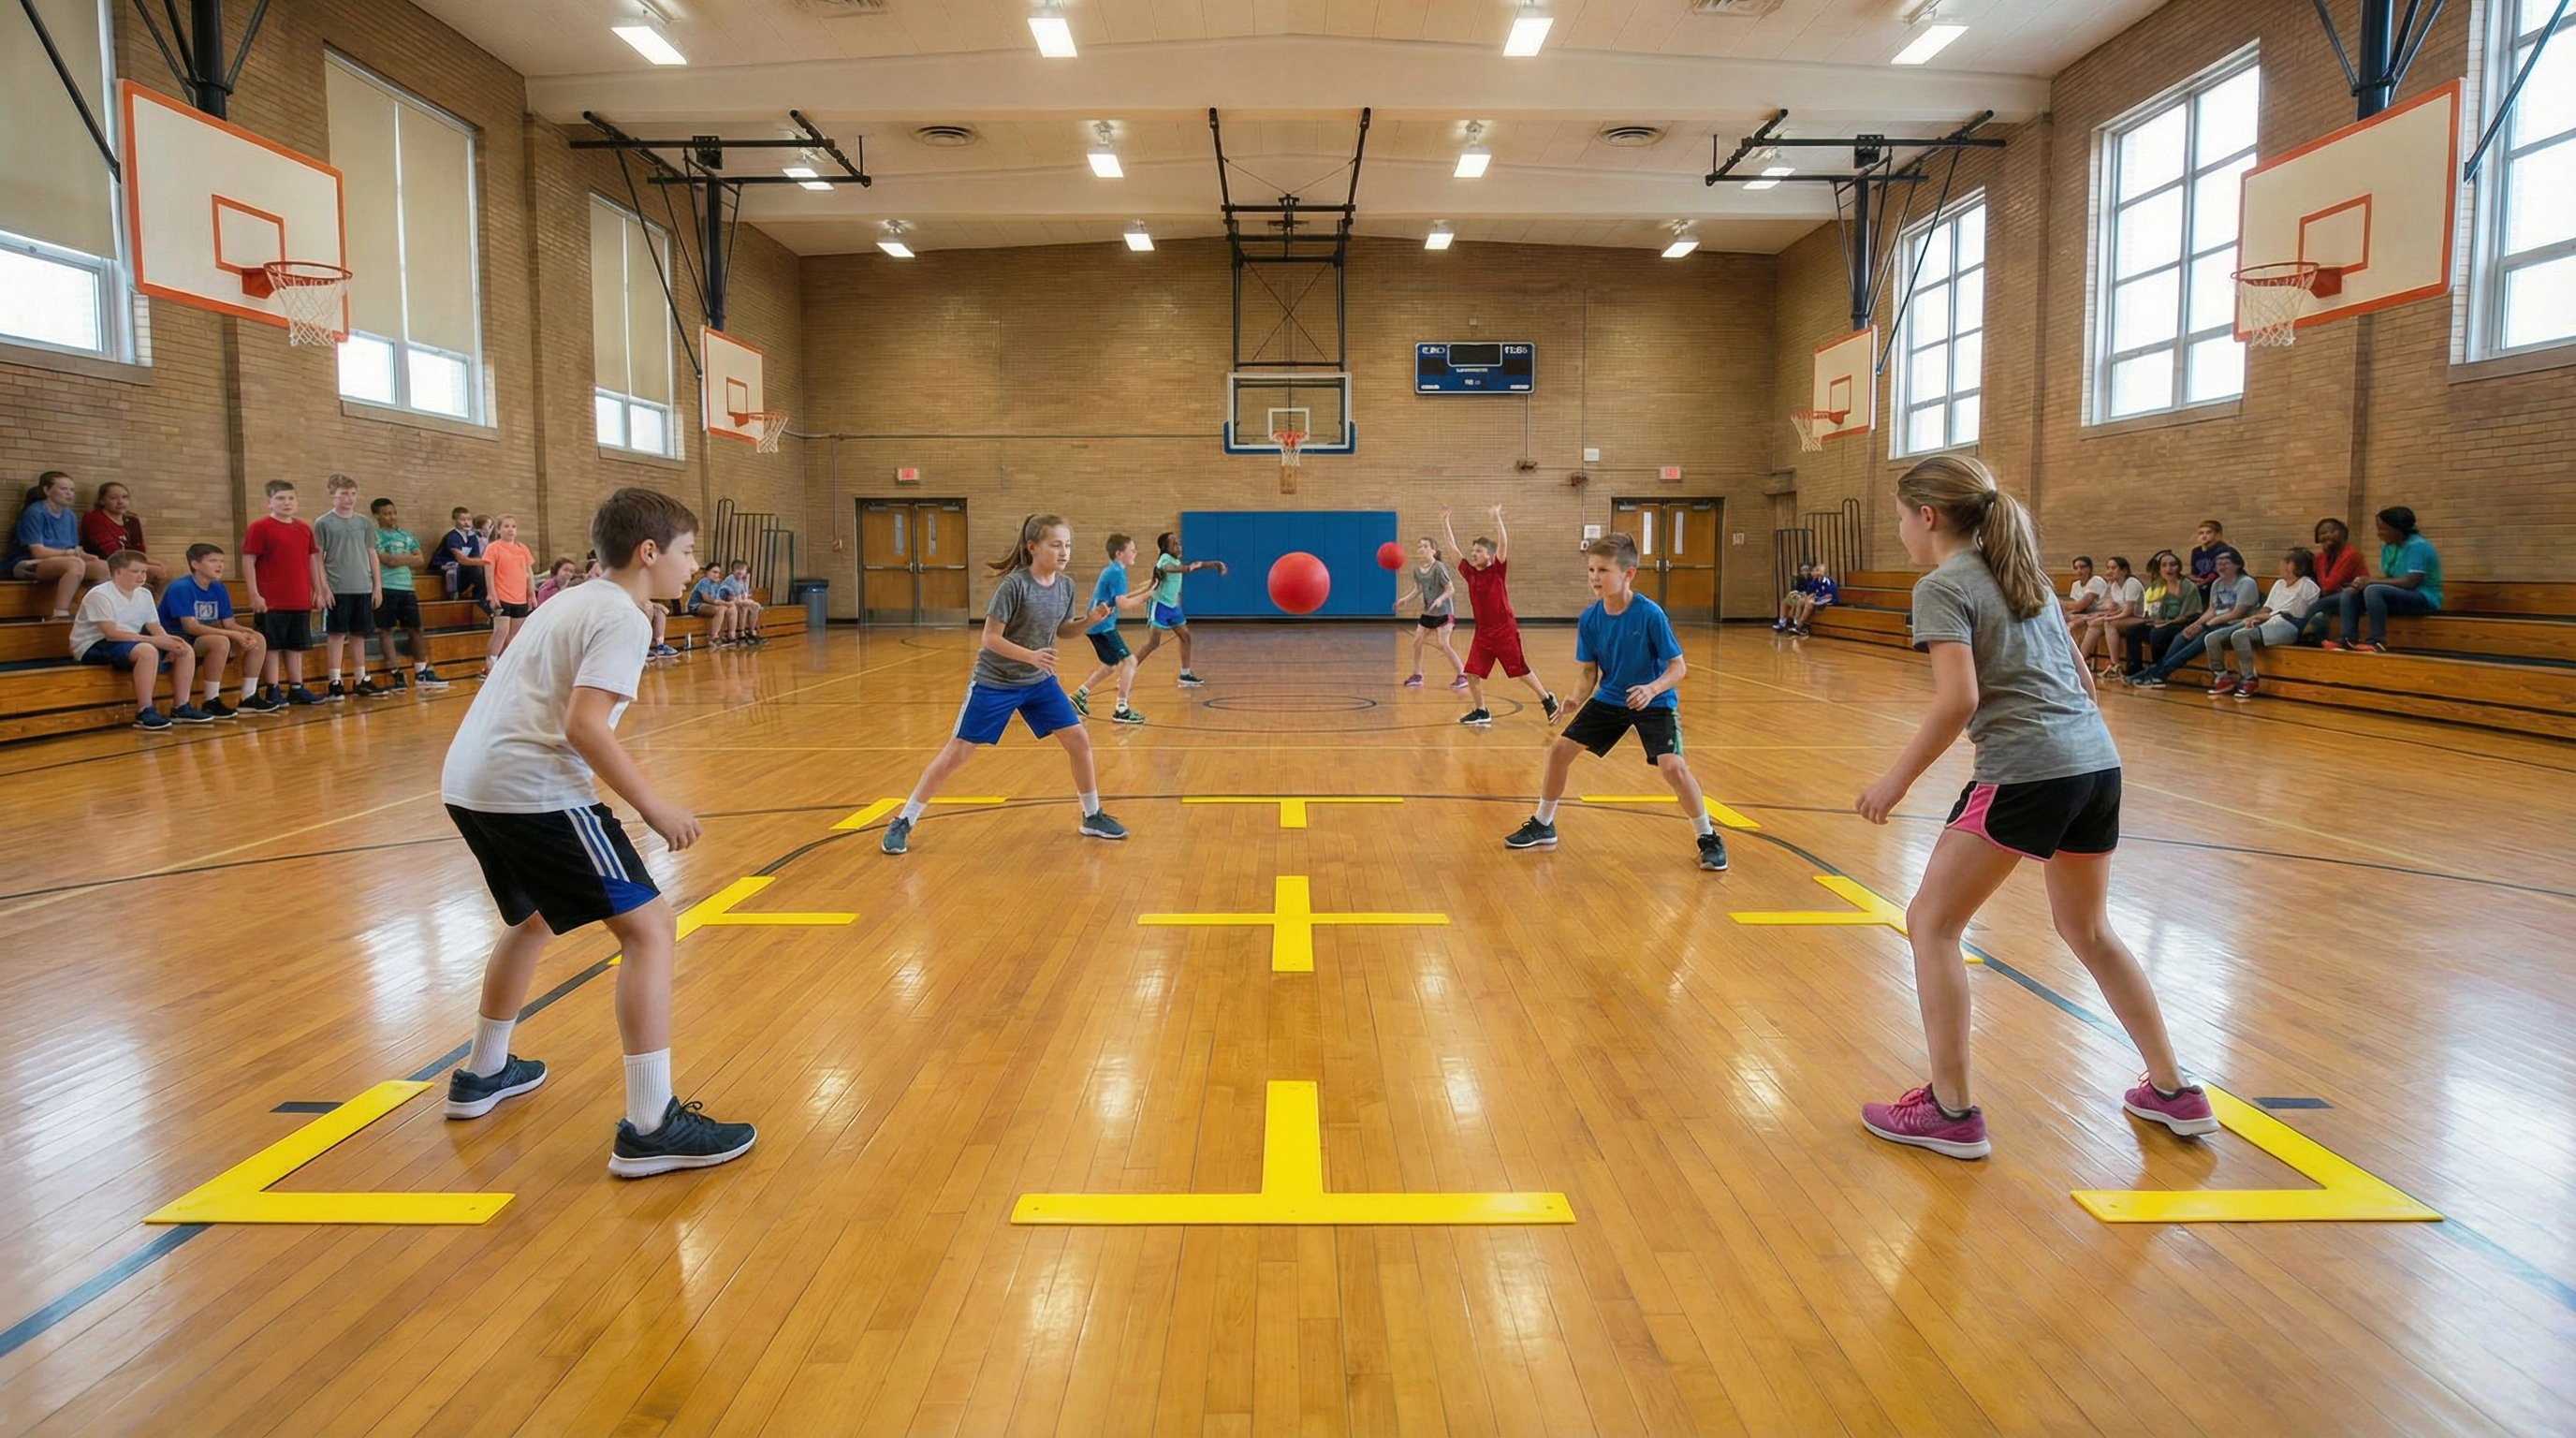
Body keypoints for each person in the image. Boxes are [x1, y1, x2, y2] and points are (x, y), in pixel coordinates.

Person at [1853, 455, 2213, 1160]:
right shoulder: (2026, 578)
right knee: (2088, 928)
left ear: (1927, 517)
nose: (1899, 531)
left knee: (1930, 922)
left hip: (2028, 773)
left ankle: (1951, 1110)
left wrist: (1894, 780)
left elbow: (1959, 700)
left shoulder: (1942, 586)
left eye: (1900, 517)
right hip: (2096, 764)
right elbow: (2082, 677)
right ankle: (2174, 1090)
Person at [438, 486, 756, 1178]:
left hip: (469, 783)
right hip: (533, 789)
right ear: (649, 553)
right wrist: (654, 807)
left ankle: (483, 1072)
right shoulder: (621, 616)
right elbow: (583, 725)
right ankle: (651, 1124)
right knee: (650, 929)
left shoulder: (573, 599)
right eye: (686, 551)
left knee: (532, 921)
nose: (692, 564)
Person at [880, 513, 1124, 856]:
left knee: (1079, 740)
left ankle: (1092, 815)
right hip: (995, 681)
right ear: (1032, 547)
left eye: (1067, 545)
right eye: (1056, 545)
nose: (1064, 551)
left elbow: (1064, 629)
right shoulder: (1014, 585)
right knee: (957, 753)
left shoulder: (1066, 586)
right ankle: (904, 820)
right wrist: (1030, 656)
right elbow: (989, 639)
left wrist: (1089, 621)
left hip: (1037, 681)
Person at [1503, 533, 1726, 872]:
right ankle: (1543, 823)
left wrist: (1652, 689)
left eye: (1603, 570)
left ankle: (1708, 837)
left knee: (1673, 768)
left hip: (1655, 701)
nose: (1594, 577)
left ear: (1628, 574)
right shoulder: (1590, 619)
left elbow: (1678, 667)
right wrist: (1575, 698)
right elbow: (1589, 671)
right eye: (1591, 569)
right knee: (1559, 752)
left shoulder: (1650, 614)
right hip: (1610, 698)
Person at [1442, 505, 1557, 726]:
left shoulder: (1497, 570)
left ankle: (1546, 697)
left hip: (1505, 631)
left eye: (1478, 551)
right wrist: (1445, 521)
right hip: (1483, 634)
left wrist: (1497, 518)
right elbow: (1453, 550)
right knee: (1472, 673)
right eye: (1473, 550)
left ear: (1489, 555)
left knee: (1520, 672)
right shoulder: (1470, 573)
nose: (1474, 554)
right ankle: (1481, 710)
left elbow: (1503, 544)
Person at [72, 550, 207, 728]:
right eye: (135, 571)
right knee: (148, 651)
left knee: (184, 648)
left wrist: (168, 642)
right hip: (94, 644)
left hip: (131, 640)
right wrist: (156, 642)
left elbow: (155, 627)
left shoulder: (144, 594)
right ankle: (145, 710)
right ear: (118, 571)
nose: (142, 576)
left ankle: (181, 707)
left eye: (144, 572)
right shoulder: (99, 595)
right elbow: (111, 633)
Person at [240, 478, 326, 707]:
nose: (287, 503)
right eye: (280, 498)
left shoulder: (305, 528)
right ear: (269, 502)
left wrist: (318, 589)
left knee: (296, 645)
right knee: (272, 645)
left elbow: (312, 560)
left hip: (299, 598)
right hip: (272, 599)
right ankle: (272, 688)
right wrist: (254, 594)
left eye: (291, 498)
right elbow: (248, 561)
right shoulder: (259, 527)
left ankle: (297, 687)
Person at [160, 543, 273, 717]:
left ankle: (249, 697)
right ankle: (211, 701)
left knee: (257, 637)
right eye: (213, 561)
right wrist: (233, 634)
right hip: (177, 637)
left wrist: (244, 633)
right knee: (219, 641)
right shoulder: (181, 587)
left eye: (221, 561)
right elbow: (191, 627)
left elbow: (229, 624)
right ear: (195, 564)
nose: (220, 565)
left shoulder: (218, 588)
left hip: (201, 635)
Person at [2126, 549, 2259, 688]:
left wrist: (2206, 625)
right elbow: (2212, 610)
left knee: (2199, 640)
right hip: (2214, 623)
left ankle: (2156, 674)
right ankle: (2153, 673)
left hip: (2235, 625)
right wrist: (2195, 625)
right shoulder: (2217, 583)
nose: (2222, 566)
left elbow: (2237, 613)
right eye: (2219, 563)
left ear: (2237, 565)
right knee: (2181, 637)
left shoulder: (2246, 583)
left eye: (2226, 563)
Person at [2323, 506, 2442, 654]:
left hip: (2423, 597)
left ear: (2397, 529)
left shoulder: (2418, 546)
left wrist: (2371, 582)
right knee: (2350, 592)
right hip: (2400, 594)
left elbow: (2411, 581)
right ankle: (2347, 639)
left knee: (2373, 589)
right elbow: (2390, 578)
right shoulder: (2389, 547)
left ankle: (2376, 641)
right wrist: (2363, 582)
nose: (2379, 533)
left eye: (2383, 529)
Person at [314, 475, 389, 700]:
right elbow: (318, 557)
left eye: (353, 494)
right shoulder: (323, 523)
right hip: (337, 586)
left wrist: (377, 586)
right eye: (344, 494)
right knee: (336, 634)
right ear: (332, 496)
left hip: (362, 586)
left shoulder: (364, 523)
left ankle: (360, 679)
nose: (349, 498)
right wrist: (323, 587)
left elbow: (372, 554)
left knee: (359, 634)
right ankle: (335, 681)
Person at [2211, 549, 2321, 700]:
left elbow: (2294, 612)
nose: (2280, 565)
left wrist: (2265, 617)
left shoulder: (2307, 584)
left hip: (2289, 624)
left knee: (2240, 636)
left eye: (2285, 561)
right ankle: (2222, 677)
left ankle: (2249, 679)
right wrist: (2254, 618)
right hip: (2268, 620)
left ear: (2295, 565)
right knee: (2213, 637)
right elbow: (2268, 607)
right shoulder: (2279, 584)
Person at [1071, 532, 1151, 725]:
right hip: (1103, 626)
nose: (1135, 553)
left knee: (1110, 666)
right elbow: (1123, 603)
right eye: (1132, 550)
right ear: (1119, 554)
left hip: (1095, 626)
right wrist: (1148, 595)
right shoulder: (1117, 573)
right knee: (1130, 661)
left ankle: (1078, 695)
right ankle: (1121, 709)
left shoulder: (1112, 570)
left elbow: (1117, 599)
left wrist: (1143, 590)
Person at [371, 498, 447, 689]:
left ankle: (421, 671)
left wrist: (398, 559)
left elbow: (420, 558)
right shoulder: (374, 536)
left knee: (416, 629)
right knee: (386, 630)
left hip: (406, 588)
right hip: (386, 587)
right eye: (387, 514)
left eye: (393, 513)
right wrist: (406, 559)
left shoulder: (406, 535)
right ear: (377, 515)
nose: (392, 517)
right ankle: (395, 673)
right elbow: (387, 560)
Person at [9, 471, 108, 619]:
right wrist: (70, 554)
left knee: (103, 566)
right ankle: (60, 613)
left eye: (72, 490)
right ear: (46, 490)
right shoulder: (35, 512)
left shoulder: (70, 516)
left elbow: (73, 549)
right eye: (63, 489)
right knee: (75, 564)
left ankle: (88, 610)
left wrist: (87, 557)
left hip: (64, 561)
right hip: (29, 563)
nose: (69, 494)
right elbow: (38, 552)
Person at [1132, 531, 1224, 686]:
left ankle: (1185, 674)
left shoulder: (1175, 561)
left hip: (1172, 606)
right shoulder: (1165, 559)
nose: (1178, 546)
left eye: (1179, 543)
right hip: (1159, 605)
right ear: (1165, 547)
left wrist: (1216, 564)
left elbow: (1195, 566)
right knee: (1153, 643)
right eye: (1174, 543)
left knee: (1186, 636)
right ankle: (1127, 673)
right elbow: (1168, 568)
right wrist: (1187, 568)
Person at [459, 515, 534, 672]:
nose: (510, 530)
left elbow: (529, 573)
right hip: (502, 596)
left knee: (515, 635)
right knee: (501, 631)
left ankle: (509, 666)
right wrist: (492, 594)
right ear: (499, 530)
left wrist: (531, 593)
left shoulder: (522, 549)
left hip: (519, 598)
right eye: (506, 526)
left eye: (513, 526)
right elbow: (488, 573)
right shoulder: (494, 547)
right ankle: (490, 665)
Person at [1395, 536, 1468, 691]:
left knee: (1443, 644)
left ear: (1433, 550)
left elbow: (1450, 589)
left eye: (1426, 546)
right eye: (1420, 546)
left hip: (1444, 611)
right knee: (1417, 642)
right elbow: (1418, 590)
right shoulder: (1417, 570)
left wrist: (1441, 599)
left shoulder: (1439, 567)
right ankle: (1417, 675)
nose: (1422, 549)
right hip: (1429, 612)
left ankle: (1462, 675)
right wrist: (1405, 600)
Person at [2121, 551, 2203, 678]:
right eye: (2164, 565)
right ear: (2159, 569)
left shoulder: (2188, 586)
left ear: (2179, 567)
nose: (2168, 569)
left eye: (2172, 565)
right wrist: (2155, 622)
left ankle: (2157, 672)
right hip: (2160, 623)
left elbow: (2188, 616)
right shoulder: (2157, 586)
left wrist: (2164, 624)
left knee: (2157, 633)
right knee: (2133, 631)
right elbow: (2152, 611)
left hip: (2182, 624)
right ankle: (2134, 671)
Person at [80, 481, 167, 585]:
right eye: (113, 498)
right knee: (157, 572)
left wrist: (151, 562)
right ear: (102, 501)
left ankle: (148, 600)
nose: (120, 502)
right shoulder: (94, 518)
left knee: (166, 569)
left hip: (129, 561)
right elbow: (112, 553)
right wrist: (153, 563)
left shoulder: (131, 520)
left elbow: (139, 549)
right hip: (107, 562)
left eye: (124, 497)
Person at [2070, 555, 2143, 677]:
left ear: (2124, 570)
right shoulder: (2114, 585)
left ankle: (2115, 665)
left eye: (2113, 568)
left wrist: (2108, 618)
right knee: (2095, 624)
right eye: (2108, 568)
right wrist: (2102, 617)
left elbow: (2128, 611)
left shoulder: (2132, 583)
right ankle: (2080, 661)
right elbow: (2116, 609)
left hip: (2139, 617)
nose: (2109, 571)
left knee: (2109, 624)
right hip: (2123, 616)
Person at [2299, 518, 2366, 645]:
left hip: (2354, 597)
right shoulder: (2320, 558)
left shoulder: (2352, 554)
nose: (2327, 535)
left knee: (2317, 606)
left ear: (2343, 534)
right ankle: (2313, 639)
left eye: (2332, 531)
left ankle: (2299, 632)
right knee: (2317, 608)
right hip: (2331, 598)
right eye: (2322, 533)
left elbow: (2329, 585)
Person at [434, 506, 485, 605]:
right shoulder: (452, 536)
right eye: (463, 520)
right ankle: (453, 594)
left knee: (476, 570)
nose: (467, 522)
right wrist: (486, 562)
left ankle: (479, 597)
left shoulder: (472, 536)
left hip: (462, 563)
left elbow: (476, 556)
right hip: (443, 563)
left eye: (469, 519)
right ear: (455, 521)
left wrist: (480, 563)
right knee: (453, 568)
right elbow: (460, 559)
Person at [2186, 521, 2242, 598]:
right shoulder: (2196, 551)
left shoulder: (2224, 551)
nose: (2204, 536)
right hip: (2202, 587)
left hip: (2222, 587)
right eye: (2201, 533)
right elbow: (2195, 572)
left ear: (2217, 534)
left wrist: (2204, 582)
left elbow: (2221, 574)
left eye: (2208, 533)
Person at [684, 563, 737, 645]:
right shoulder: (705, 581)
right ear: (706, 572)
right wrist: (718, 602)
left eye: (718, 573)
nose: (717, 575)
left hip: (708, 606)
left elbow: (720, 597)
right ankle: (713, 637)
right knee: (721, 609)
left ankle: (731, 634)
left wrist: (729, 600)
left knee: (731, 608)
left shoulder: (716, 584)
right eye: (714, 572)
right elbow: (706, 598)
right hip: (696, 605)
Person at [2059, 555, 2110, 633]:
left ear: (2089, 568)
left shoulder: (2096, 581)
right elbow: (2074, 608)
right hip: (2084, 614)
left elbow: (2081, 605)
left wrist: (2059, 603)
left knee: (2072, 623)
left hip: (2099, 613)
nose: (2079, 570)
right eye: (2076, 568)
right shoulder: (2075, 585)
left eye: (2082, 567)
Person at [718, 561, 764, 641]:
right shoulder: (730, 579)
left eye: (743, 569)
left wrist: (746, 599)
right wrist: (743, 600)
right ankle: (741, 632)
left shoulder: (742, 581)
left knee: (755, 606)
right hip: (726, 601)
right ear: (733, 570)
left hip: (736, 600)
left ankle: (751, 631)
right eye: (738, 569)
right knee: (744, 606)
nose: (740, 571)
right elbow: (729, 596)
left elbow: (744, 594)